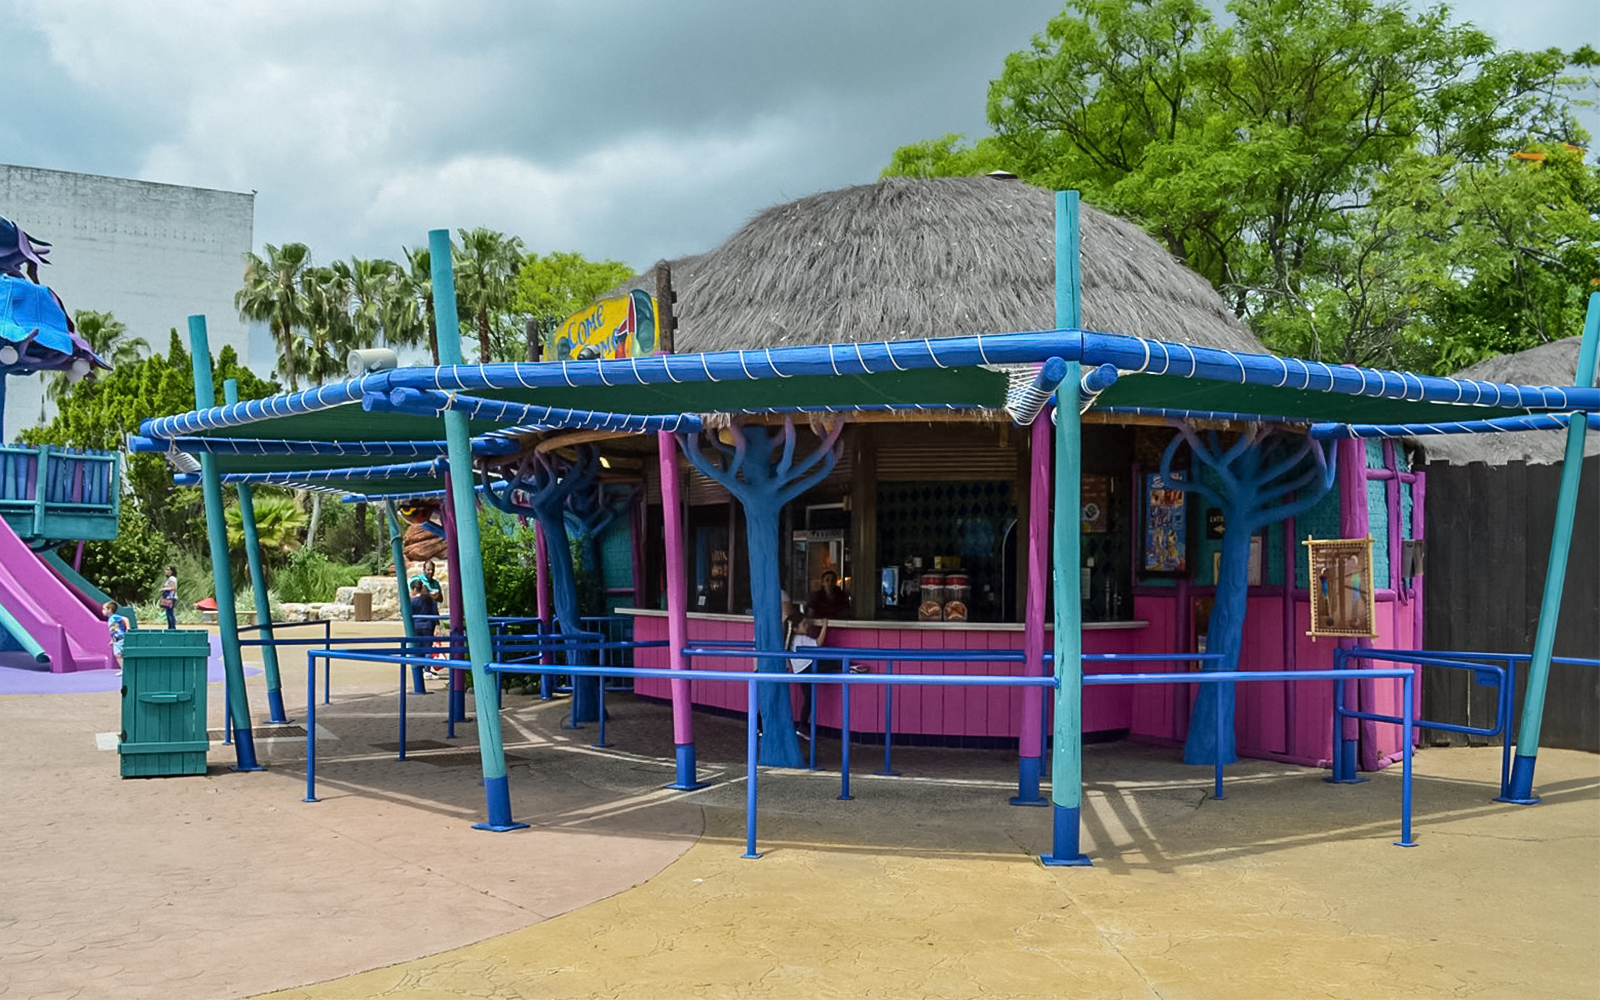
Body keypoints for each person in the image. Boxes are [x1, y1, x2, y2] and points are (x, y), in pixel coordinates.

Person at [786, 610, 829, 737]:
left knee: (808, 699)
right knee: (830, 661)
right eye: (804, 624)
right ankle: (850, 667)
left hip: (799, 671)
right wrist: (824, 625)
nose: (807, 626)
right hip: (808, 666)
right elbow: (818, 643)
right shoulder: (801, 638)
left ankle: (803, 726)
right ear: (795, 628)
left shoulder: (790, 640)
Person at [409, 579, 443, 679]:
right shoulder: (430, 600)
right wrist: (437, 625)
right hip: (428, 626)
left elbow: (406, 612)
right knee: (428, 648)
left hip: (416, 626)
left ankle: (419, 668)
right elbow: (435, 612)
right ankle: (427, 670)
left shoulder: (414, 601)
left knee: (418, 648)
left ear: (415, 589)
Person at [103, 601, 129, 674]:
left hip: (120, 638)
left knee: (118, 654)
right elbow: (113, 630)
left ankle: (124, 670)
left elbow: (125, 619)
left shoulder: (114, 616)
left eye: (104, 609)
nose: (102, 611)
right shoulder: (111, 619)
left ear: (109, 610)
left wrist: (128, 628)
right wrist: (112, 640)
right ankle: (124, 669)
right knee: (118, 655)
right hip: (116, 639)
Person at [159, 565, 178, 630]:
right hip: (169, 597)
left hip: (170, 597)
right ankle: (171, 627)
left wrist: (164, 589)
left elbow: (173, 588)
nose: (166, 571)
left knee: (170, 613)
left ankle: (172, 627)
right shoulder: (170, 578)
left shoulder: (172, 578)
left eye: (167, 570)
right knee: (169, 613)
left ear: (171, 571)